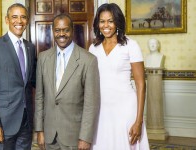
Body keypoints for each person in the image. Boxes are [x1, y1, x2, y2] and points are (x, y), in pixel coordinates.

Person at [34, 14, 100, 150]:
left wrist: (85, 137)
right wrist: (39, 131)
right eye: (57, 30)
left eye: (66, 30)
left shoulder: (88, 60)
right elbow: (39, 97)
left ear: (72, 31)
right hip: (49, 136)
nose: (61, 34)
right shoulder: (43, 58)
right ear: (53, 31)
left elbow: (91, 104)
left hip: (74, 137)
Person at [89, 3, 150, 149]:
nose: (106, 25)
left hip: (125, 109)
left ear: (117, 21)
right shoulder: (93, 48)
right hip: (101, 111)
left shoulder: (131, 45)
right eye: (102, 21)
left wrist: (139, 120)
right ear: (97, 24)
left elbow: (141, 84)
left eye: (110, 21)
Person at [0, 3, 36, 150]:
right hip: (4, 122)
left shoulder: (30, 48)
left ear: (27, 21)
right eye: (14, 17)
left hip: (26, 121)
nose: (19, 21)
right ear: (7, 20)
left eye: (23, 17)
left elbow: (32, 82)